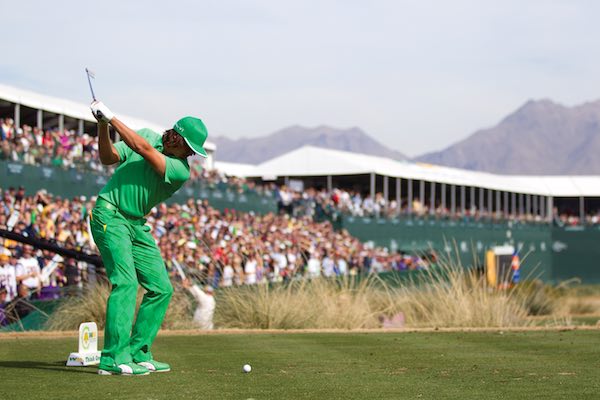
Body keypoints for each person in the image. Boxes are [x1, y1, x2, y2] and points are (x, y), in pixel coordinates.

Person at [88, 100, 209, 376]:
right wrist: (103, 126)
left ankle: (139, 352)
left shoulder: (180, 170)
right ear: (176, 138)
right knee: (126, 283)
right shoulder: (146, 135)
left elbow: (140, 149)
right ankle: (113, 358)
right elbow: (107, 158)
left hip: (136, 224)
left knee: (161, 288)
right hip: (110, 215)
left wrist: (112, 117)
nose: (190, 155)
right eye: (189, 148)